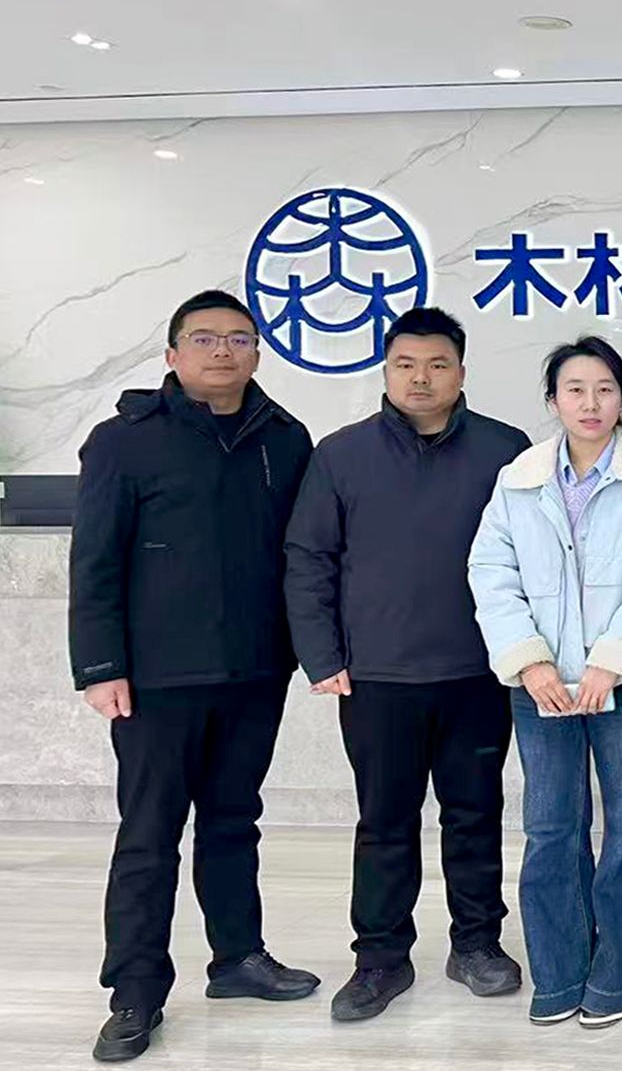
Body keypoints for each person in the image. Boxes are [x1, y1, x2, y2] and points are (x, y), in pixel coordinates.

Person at [69, 289, 318, 1063]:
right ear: (173, 354)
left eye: (238, 338)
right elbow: (95, 562)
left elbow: (303, 555)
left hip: (254, 670)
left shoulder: (286, 438)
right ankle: (135, 991)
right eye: (204, 339)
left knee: (233, 822)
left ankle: (237, 958)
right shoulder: (123, 441)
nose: (222, 351)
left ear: (258, 352)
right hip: (156, 679)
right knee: (149, 835)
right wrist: (101, 666)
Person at [284, 307, 532, 1022]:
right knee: (384, 822)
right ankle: (380, 959)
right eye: (406, 365)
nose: (421, 378)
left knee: (475, 814)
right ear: (387, 371)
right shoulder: (341, 454)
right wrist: (322, 656)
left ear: (461, 372)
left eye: (437, 365)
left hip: (477, 673)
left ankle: (477, 944)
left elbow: (537, 557)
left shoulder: (505, 450)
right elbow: (308, 558)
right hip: (377, 677)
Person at [469, 336, 622, 1029]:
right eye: (575, 389)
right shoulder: (519, 479)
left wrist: (612, 660)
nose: (591, 403)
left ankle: (621, 976)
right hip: (541, 688)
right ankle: (559, 974)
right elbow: (491, 573)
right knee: (551, 829)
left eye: (605, 389)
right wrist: (530, 662)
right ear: (553, 400)